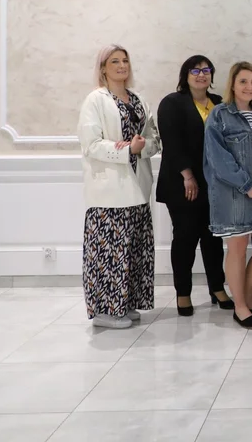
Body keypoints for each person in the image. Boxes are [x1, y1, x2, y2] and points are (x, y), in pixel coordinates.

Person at [78, 45, 160, 329]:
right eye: (115, 61)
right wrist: (126, 150)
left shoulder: (138, 100)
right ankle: (106, 312)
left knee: (134, 250)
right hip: (109, 191)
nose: (122, 65)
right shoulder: (95, 100)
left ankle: (126, 304)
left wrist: (142, 147)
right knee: (109, 253)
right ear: (103, 68)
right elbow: (91, 145)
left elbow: (154, 139)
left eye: (125, 60)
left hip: (138, 187)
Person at [204, 61, 252, 329]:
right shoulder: (219, 114)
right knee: (237, 249)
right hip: (235, 195)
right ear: (233, 85)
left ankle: (246, 298)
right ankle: (240, 307)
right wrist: (246, 185)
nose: (249, 87)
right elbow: (217, 158)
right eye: (243, 81)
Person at [155, 56, 233, 316]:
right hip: (182, 184)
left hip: (214, 184)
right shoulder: (172, 103)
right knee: (185, 238)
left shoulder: (219, 103)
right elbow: (171, 142)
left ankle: (217, 288)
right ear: (185, 75)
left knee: (213, 239)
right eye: (195, 70)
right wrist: (188, 176)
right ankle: (183, 293)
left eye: (206, 70)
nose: (202, 74)